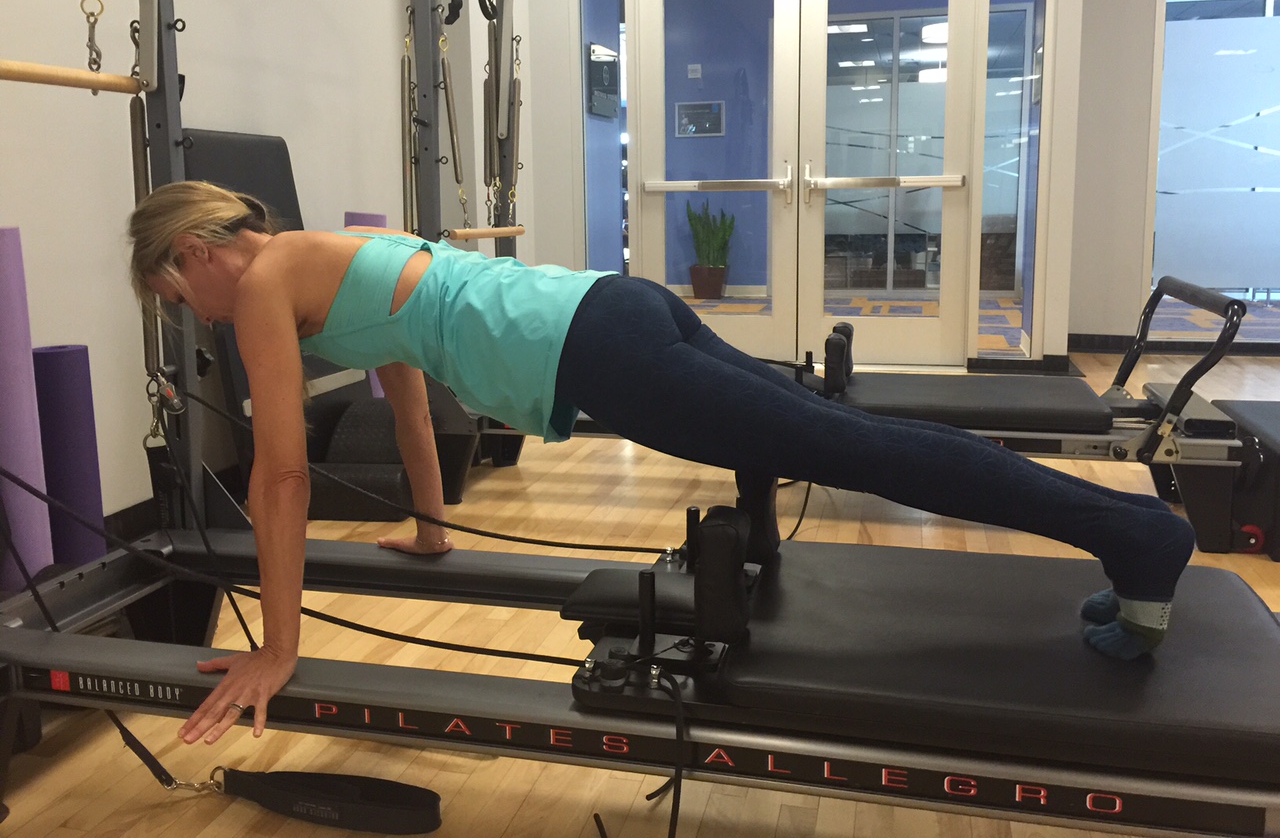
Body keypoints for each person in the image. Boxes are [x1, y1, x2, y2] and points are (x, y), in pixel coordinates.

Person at [127, 180, 1197, 747]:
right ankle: (1132, 538)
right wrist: (433, 526)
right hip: (609, 307)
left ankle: (1137, 536)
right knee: (831, 434)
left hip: (591, 349)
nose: (199, 318)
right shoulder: (318, 259)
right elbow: (407, 394)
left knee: (850, 448)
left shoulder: (261, 285)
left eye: (181, 299)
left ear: (196, 253)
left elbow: (280, 478)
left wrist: (276, 650)